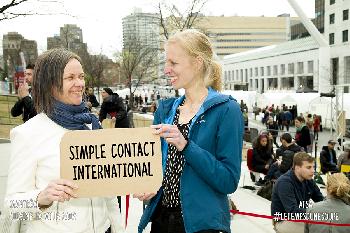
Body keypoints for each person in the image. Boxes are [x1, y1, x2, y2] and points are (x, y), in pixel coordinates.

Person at [135, 29, 244, 233]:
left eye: (173, 63)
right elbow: (156, 168)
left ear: (197, 62)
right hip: (161, 220)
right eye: (166, 63)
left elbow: (228, 181)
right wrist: (150, 186)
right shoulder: (165, 110)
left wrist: (186, 146)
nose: (167, 70)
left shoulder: (227, 110)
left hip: (201, 226)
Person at [4, 49, 123, 233]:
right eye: (70, 78)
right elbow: (11, 206)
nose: (80, 83)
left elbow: (106, 188)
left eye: (81, 76)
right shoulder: (28, 134)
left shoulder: (91, 125)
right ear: (50, 84)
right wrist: (41, 197)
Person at [271, 152, 324, 233]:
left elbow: (321, 200)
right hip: (283, 221)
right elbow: (293, 212)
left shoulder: (309, 180)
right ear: (297, 167)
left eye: (313, 167)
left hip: (301, 217)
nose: (313, 171)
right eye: (308, 167)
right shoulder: (285, 183)